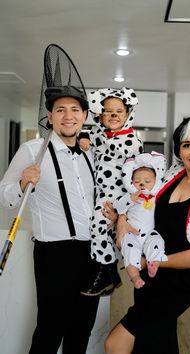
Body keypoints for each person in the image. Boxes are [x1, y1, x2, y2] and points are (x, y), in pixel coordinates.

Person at [104, 114, 190, 354]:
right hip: (149, 275)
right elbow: (140, 200)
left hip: (178, 282)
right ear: (179, 150)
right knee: (157, 342)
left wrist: (150, 261)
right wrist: (122, 220)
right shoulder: (170, 176)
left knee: (117, 344)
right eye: (187, 145)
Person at [0, 85, 115, 354]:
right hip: (54, 254)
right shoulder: (32, 151)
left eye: (75, 110)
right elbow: (5, 196)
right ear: (50, 116)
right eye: (60, 110)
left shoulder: (90, 152)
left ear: (85, 115)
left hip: (92, 252)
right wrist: (21, 182)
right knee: (50, 329)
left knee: (82, 328)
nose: (68, 116)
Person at [79, 87, 143, 296]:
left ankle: (108, 273)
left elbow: (137, 175)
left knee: (101, 228)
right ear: (100, 115)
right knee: (106, 232)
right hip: (100, 193)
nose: (113, 115)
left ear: (128, 115)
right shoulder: (98, 133)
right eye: (108, 111)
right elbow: (85, 132)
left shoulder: (133, 141)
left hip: (118, 196)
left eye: (119, 111)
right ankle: (110, 273)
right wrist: (85, 137)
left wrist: (124, 210)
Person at [113, 152, 168, 289]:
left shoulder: (156, 196)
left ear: (155, 182)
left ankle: (153, 263)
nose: (142, 184)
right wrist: (130, 199)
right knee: (128, 250)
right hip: (132, 233)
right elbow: (118, 208)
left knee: (158, 241)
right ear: (131, 182)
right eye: (137, 182)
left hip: (150, 233)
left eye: (147, 181)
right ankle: (135, 277)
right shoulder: (130, 196)